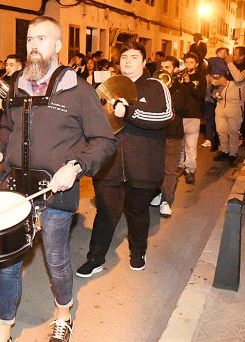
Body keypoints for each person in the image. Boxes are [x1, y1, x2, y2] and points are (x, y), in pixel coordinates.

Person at [0, 16, 117, 342]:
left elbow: (104, 141)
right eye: (30, 39)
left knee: (55, 257)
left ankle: (63, 313)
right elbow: (8, 128)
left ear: (57, 46)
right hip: (14, 189)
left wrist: (75, 167)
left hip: (56, 191)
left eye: (42, 39)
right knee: (8, 261)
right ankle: (3, 330)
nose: (33, 45)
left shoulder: (79, 91)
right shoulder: (16, 84)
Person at [76, 41, 173, 278]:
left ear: (144, 60)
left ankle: (138, 251)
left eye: (133, 57)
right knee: (105, 213)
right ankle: (95, 258)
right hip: (110, 166)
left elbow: (165, 117)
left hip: (142, 166)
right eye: (124, 58)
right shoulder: (110, 86)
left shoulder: (155, 86)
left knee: (137, 212)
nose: (127, 61)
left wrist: (128, 112)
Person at [150, 56, 189, 217]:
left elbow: (180, 108)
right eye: (162, 66)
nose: (164, 70)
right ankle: (159, 192)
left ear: (175, 69)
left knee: (170, 170)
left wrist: (171, 87)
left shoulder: (180, 87)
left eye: (168, 67)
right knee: (155, 168)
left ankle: (166, 200)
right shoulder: (154, 85)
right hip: (156, 134)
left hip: (173, 133)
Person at [177, 52, 206, 184]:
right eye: (186, 62)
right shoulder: (179, 76)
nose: (188, 65)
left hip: (193, 116)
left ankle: (190, 170)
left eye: (191, 62)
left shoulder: (200, 77)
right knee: (180, 144)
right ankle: (180, 166)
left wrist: (189, 82)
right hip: (179, 116)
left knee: (191, 146)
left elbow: (200, 95)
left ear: (197, 64)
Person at [213, 46, 245, 165]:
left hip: (235, 105)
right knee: (221, 130)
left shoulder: (241, 69)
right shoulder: (227, 67)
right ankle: (225, 151)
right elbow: (217, 80)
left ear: (242, 56)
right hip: (221, 104)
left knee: (233, 131)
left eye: (235, 54)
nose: (232, 55)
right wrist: (215, 86)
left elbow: (238, 78)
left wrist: (230, 63)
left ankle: (232, 153)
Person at [202, 47, 229, 149]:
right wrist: (210, 79)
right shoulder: (212, 64)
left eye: (224, 53)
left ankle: (219, 142)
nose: (221, 54)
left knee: (221, 121)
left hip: (222, 99)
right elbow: (207, 76)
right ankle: (209, 139)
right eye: (219, 52)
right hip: (210, 98)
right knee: (210, 118)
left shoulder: (229, 66)